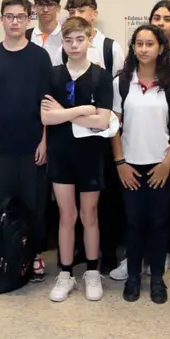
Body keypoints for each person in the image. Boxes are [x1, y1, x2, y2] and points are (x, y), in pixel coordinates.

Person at [108, 0, 170, 280]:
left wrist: (167, 163)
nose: (144, 49)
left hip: (161, 166)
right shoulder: (121, 82)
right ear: (133, 48)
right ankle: (134, 278)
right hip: (130, 166)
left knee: (160, 223)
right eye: (139, 44)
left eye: (150, 44)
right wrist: (121, 163)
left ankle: (158, 279)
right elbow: (113, 126)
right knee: (134, 223)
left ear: (161, 47)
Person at [0, 0, 54, 281]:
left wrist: (45, 140)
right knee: (2, 205)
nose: (15, 21)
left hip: (33, 146)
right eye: (9, 16)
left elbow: (47, 103)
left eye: (20, 16)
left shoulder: (40, 57)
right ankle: (7, 253)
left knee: (34, 205)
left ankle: (32, 256)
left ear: (28, 19)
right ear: (2, 20)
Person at [41, 16, 114, 302]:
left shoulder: (101, 76)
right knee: (66, 215)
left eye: (79, 39)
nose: (74, 45)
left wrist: (66, 113)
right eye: (68, 40)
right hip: (61, 154)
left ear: (89, 40)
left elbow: (104, 121)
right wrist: (84, 110)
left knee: (89, 214)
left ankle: (92, 272)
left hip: (91, 155)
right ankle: (65, 273)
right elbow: (47, 116)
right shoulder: (53, 75)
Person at [64, 0, 125, 73]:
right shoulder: (63, 49)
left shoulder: (111, 48)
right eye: (72, 12)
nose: (76, 16)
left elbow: (119, 82)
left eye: (81, 11)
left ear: (94, 14)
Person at [26, 0, 64, 65]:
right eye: (41, 4)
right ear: (35, 7)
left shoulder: (66, 36)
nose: (45, 9)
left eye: (50, 5)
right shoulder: (25, 36)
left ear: (58, 8)